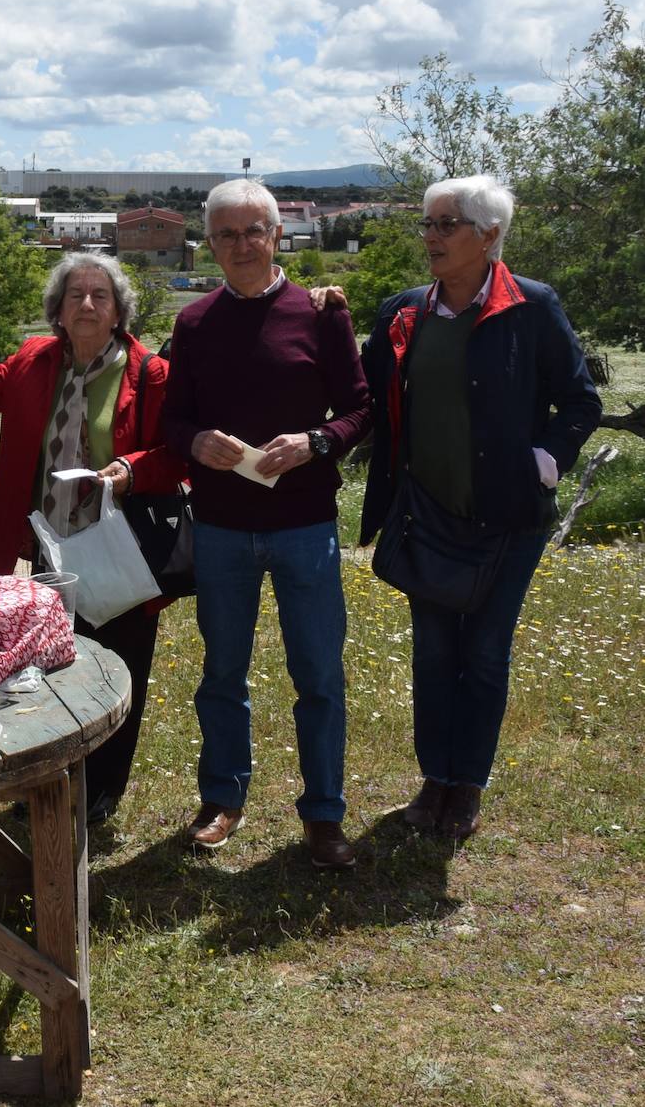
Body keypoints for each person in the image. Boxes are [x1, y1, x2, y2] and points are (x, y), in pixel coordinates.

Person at [358, 174, 601, 840]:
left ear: (488, 235)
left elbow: (581, 402)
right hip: (427, 517)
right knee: (434, 654)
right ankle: (435, 776)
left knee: (486, 653)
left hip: (510, 522)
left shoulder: (532, 306)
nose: (431, 237)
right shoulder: (404, 312)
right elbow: (364, 389)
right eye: (428, 224)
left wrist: (542, 463)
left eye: (446, 224)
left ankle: (469, 785)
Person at [0, 252, 190, 824]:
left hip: (121, 549)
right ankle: (50, 780)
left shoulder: (148, 373)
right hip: (50, 547)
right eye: (75, 296)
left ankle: (103, 791)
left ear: (118, 312)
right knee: (52, 664)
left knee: (121, 666)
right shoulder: (36, 359)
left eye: (100, 296)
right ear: (57, 311)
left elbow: (176, 454)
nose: (86, 304)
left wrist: (133, 468)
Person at [163, 179, 371, 869]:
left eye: (255, 230)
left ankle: (323, 814)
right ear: (210, 244)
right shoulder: (193, 325)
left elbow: (361, 411)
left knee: (318, 674)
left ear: (279, 235)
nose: (242, 244)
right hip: (222, 528)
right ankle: (222, 799)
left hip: (305, 525)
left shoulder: (320, 316)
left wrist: (315, 441)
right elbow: (174, 418)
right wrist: (195, 443)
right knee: (223, 671)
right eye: (227, 234)